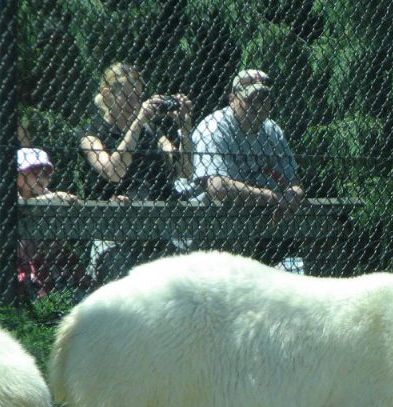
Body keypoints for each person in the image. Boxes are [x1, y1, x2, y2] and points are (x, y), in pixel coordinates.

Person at [78, 62, 193, 283]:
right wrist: (138, 121)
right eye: (128, 97)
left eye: (138, 97)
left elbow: (185, 171)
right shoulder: (91, 133)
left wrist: (185, 128)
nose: (135, 104)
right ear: (107, 95)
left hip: (156, 228)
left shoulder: (150, 131)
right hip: (114, 231)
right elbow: (113, 172)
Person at [191, 68, 304, 216]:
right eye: (250, 99)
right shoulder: (214, 127)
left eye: (263, 99)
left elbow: (294, 181)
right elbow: (218, 187)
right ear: (232, 100)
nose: (258, 106)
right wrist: (274, 197)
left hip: (257, 219)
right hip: (205, 220)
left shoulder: (272, 130)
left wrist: (293, 195)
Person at [16, 147, 90, 299]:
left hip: (52, 258)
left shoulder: (49, 195)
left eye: (46, 174)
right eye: (35, 174)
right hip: (22, 262)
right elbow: (22, 206)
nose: (42, 179)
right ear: (18, 177)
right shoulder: (12, 195)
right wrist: (58, 196)